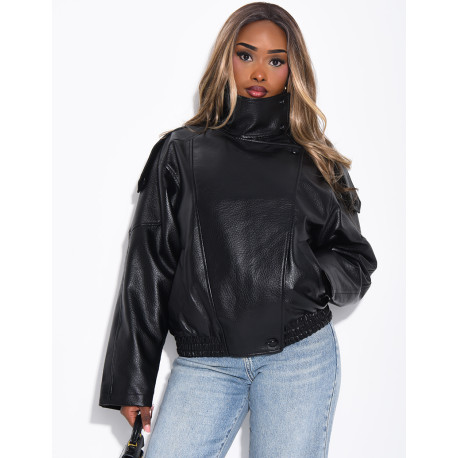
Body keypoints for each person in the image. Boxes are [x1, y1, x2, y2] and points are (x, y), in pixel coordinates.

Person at [99, 2, 378, 457]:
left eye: (276, 60)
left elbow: (355, 259)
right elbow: (149, 266)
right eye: (246, 55)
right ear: (226, 57)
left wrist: (303, 277)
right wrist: (133, 380)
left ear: (293, 71)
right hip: (206, 362)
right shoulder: (181, 151)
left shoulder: (316, 158)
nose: (259, 72)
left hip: (298, 357)